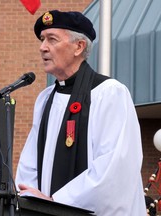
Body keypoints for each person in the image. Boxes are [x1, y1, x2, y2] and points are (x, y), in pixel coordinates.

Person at [15, 10, 146, 215]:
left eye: (52, 39)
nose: (42, 48)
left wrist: (55, 201)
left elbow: (114, 167)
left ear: (79, 46)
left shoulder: (109, 93)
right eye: (42, 40)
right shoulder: (45, 99)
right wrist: (31, 199)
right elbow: (29, 165)